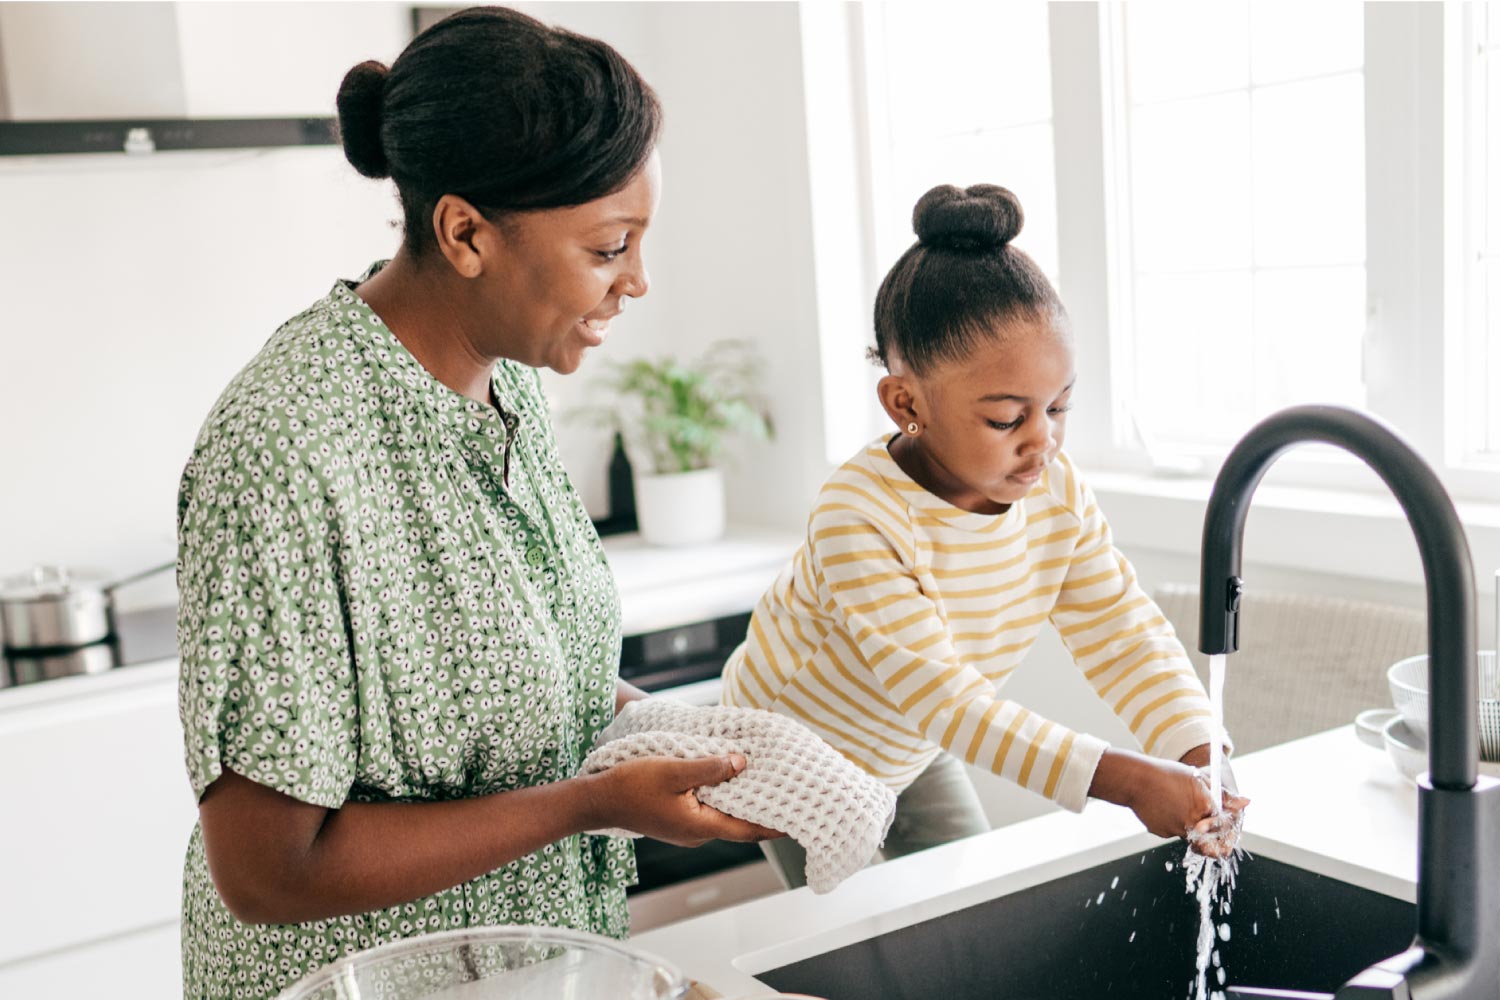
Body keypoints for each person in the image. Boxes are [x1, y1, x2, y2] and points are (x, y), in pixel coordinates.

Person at [175, 8, 776, 997]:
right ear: (465, 233)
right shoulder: (285, 454)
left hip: (533, 969)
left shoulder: (511, 382)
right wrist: (589, 804)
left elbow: (532, 689)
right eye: (608, 247)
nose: (639, 280)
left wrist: (671, 733)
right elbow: (267, 871)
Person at [721, 183, 1248, 889]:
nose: (1045, 442)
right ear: (906, 403)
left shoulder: (1055, 493)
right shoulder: (861, 514)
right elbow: (951, 704)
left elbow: (1121, 630)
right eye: (1007, 419)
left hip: (917, 738)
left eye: (1059, 407)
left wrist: (1196, 748)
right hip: (792, 757)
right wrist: (1124, 780)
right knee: (854, 946)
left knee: (961, 902)